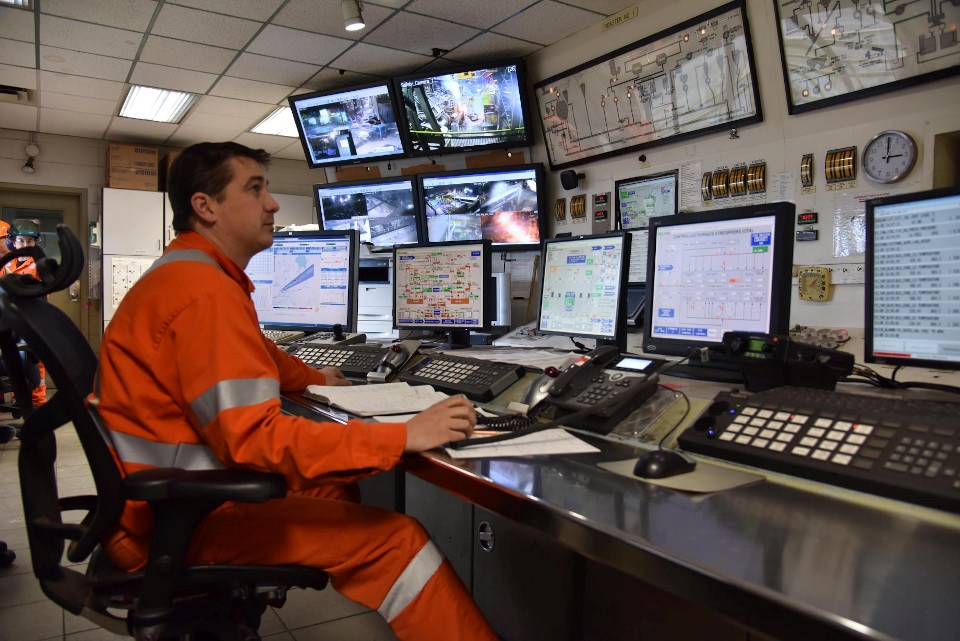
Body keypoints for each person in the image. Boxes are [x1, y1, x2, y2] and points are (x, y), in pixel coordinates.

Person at [93, 142, 496, 641]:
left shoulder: (187, 274)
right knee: (399, 540)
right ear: (206, 206)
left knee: (334, 488)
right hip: (177, 521)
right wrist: (402, 436)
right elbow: (255, 439)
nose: (273, 204)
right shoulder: (205, 294)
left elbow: (256, 355)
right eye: (255, 188)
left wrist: (313, 377)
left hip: (162, 503)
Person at [3, 220, 46, 407]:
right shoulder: (8, 264)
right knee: (12, 355)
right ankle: (17, 395)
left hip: (33, 317)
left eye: (30, 241)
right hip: (11, 316)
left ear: (36, 243)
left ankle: (37, 399)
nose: (25, 245)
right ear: (13, 241)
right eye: (21, 241)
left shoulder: (38, 264)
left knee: (34, 357)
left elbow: (44, 291)